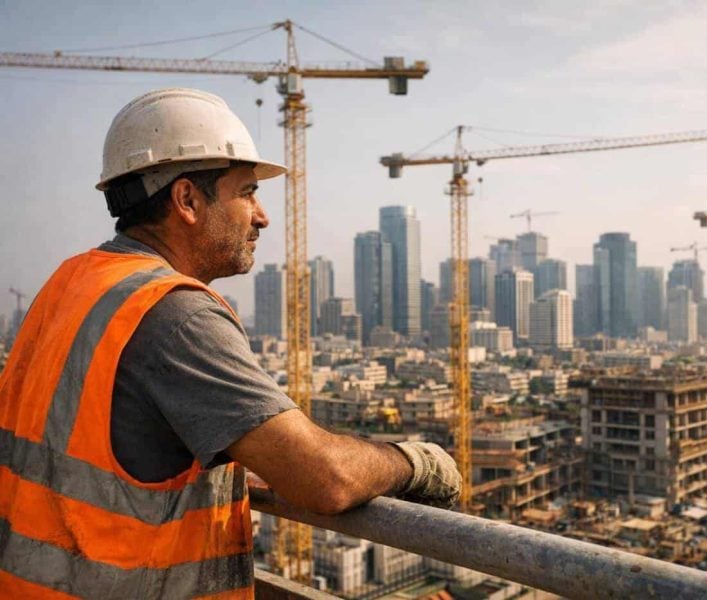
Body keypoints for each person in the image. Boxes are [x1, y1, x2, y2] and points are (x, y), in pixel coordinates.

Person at [0, 88, 461, 598]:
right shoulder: (175, 313)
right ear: (187, 201)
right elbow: (324, 479)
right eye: (246, 193)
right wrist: (414, 463)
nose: (261, 216)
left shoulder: (72, 283)